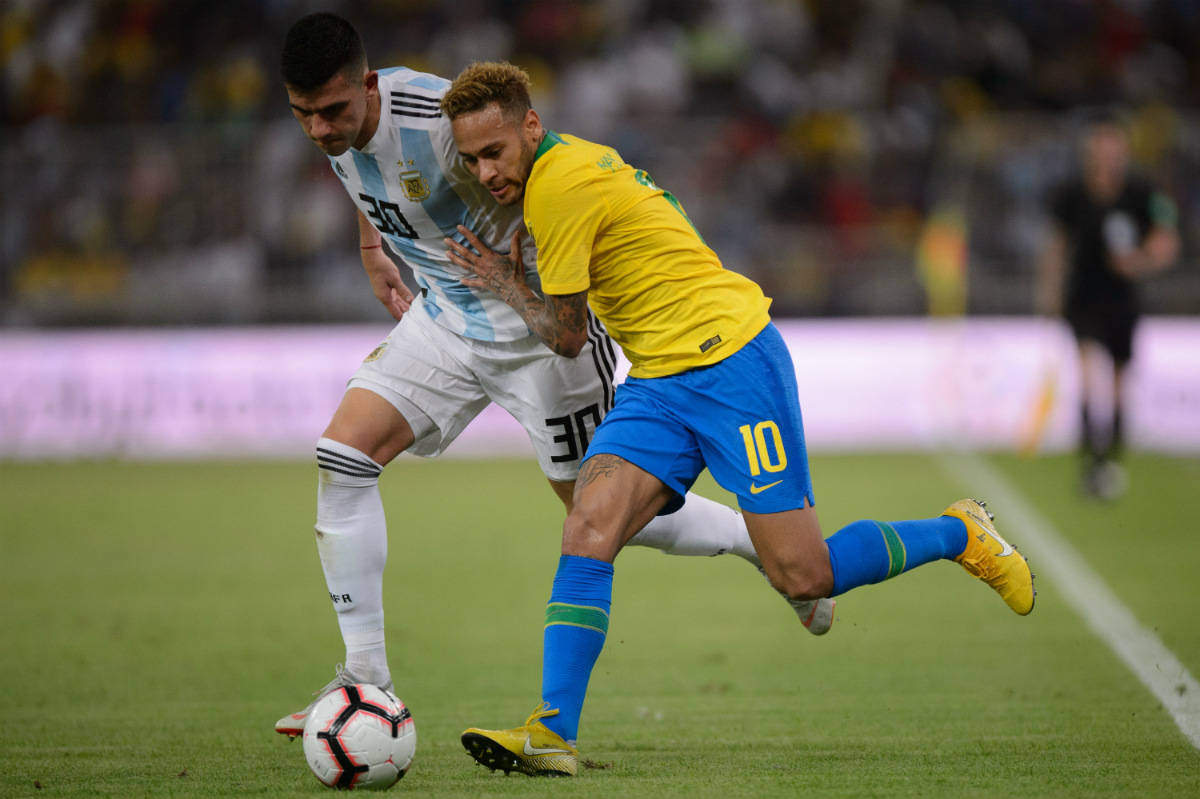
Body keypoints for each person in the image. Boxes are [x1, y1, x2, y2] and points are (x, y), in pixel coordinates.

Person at [439, 62, 1037, 777]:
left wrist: (506, 284)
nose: (485, 172)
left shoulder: (558, 184)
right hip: (658, 380)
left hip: (731, 363)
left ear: (531, 126)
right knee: (589, 525)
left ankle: (960, 532)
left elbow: (567, 336)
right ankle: (551, 732)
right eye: (471, 159)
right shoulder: (565, 166)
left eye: (494, 152)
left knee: (804, 575)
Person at [272, 14, 834, 739]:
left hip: (540, 333)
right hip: (445, 319)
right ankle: (365, 676)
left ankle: (756, 542)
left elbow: (535, 159)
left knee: (602, 519)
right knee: (342, 457)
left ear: (368, 85)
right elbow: (360, 170)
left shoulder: (441, 119)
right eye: (303, 115)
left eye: (332, 111)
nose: (318, 129)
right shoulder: (337, 130)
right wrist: (372, 246)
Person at [1038, 113, 1179, 500]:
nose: (1106, 156)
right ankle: (1090, 458)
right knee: (1086, 372)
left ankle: (1112, 458)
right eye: (1100, 149)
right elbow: (1057, 245)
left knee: (1118, 379)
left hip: (1122, 297)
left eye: (1113, 149)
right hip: (1084, 294)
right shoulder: (1070, 193)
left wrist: (1140, 260)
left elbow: (1166, 239)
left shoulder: (1142, 192)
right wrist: (1050, 291)